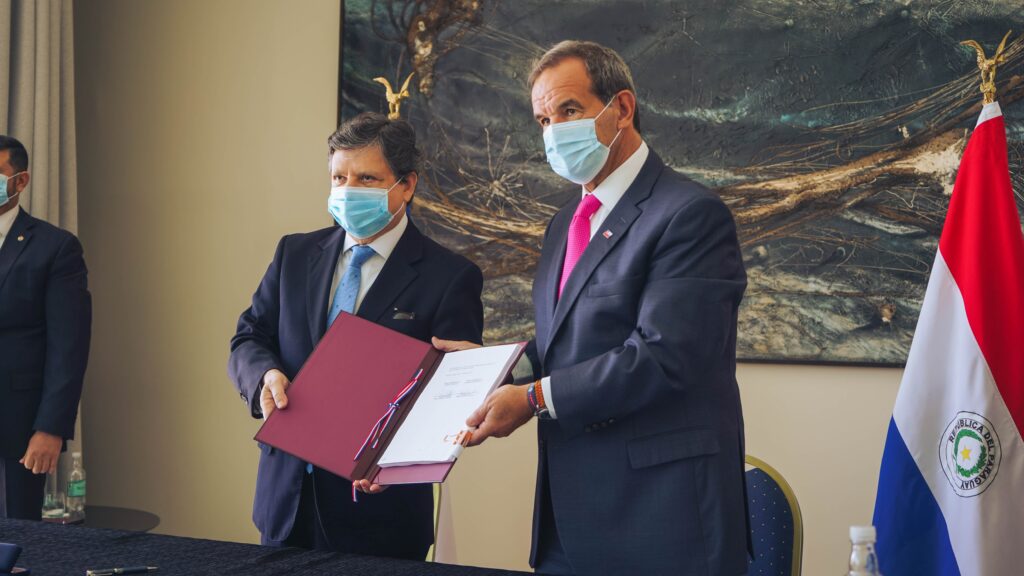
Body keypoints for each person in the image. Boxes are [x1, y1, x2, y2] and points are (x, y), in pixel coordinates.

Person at [435, 41, 752, 574]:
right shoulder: (565, 224)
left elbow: (665, 355)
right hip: (569, 519)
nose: (553, 131)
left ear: (622, 108)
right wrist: (495, 370)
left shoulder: (691, 214)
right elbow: (566, 342)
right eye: (542, 119)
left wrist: (533, 398)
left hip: (663, 519)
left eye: (569, 110)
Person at [228, 112, 483, 560]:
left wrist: (397, 460)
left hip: (380, 514)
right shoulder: (294, 253)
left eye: (366, 178)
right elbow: (249, 337)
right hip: (285, 502)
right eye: (339, 177)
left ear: (406, 185)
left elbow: (449, 397)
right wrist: (264, 377)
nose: (348, 191)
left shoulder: (451, 277)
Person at [0, 135, 91, 520]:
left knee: (18, 538)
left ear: (21, 181)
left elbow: (68, 348)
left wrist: (50, 428)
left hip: (19, 424)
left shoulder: (55, 248)